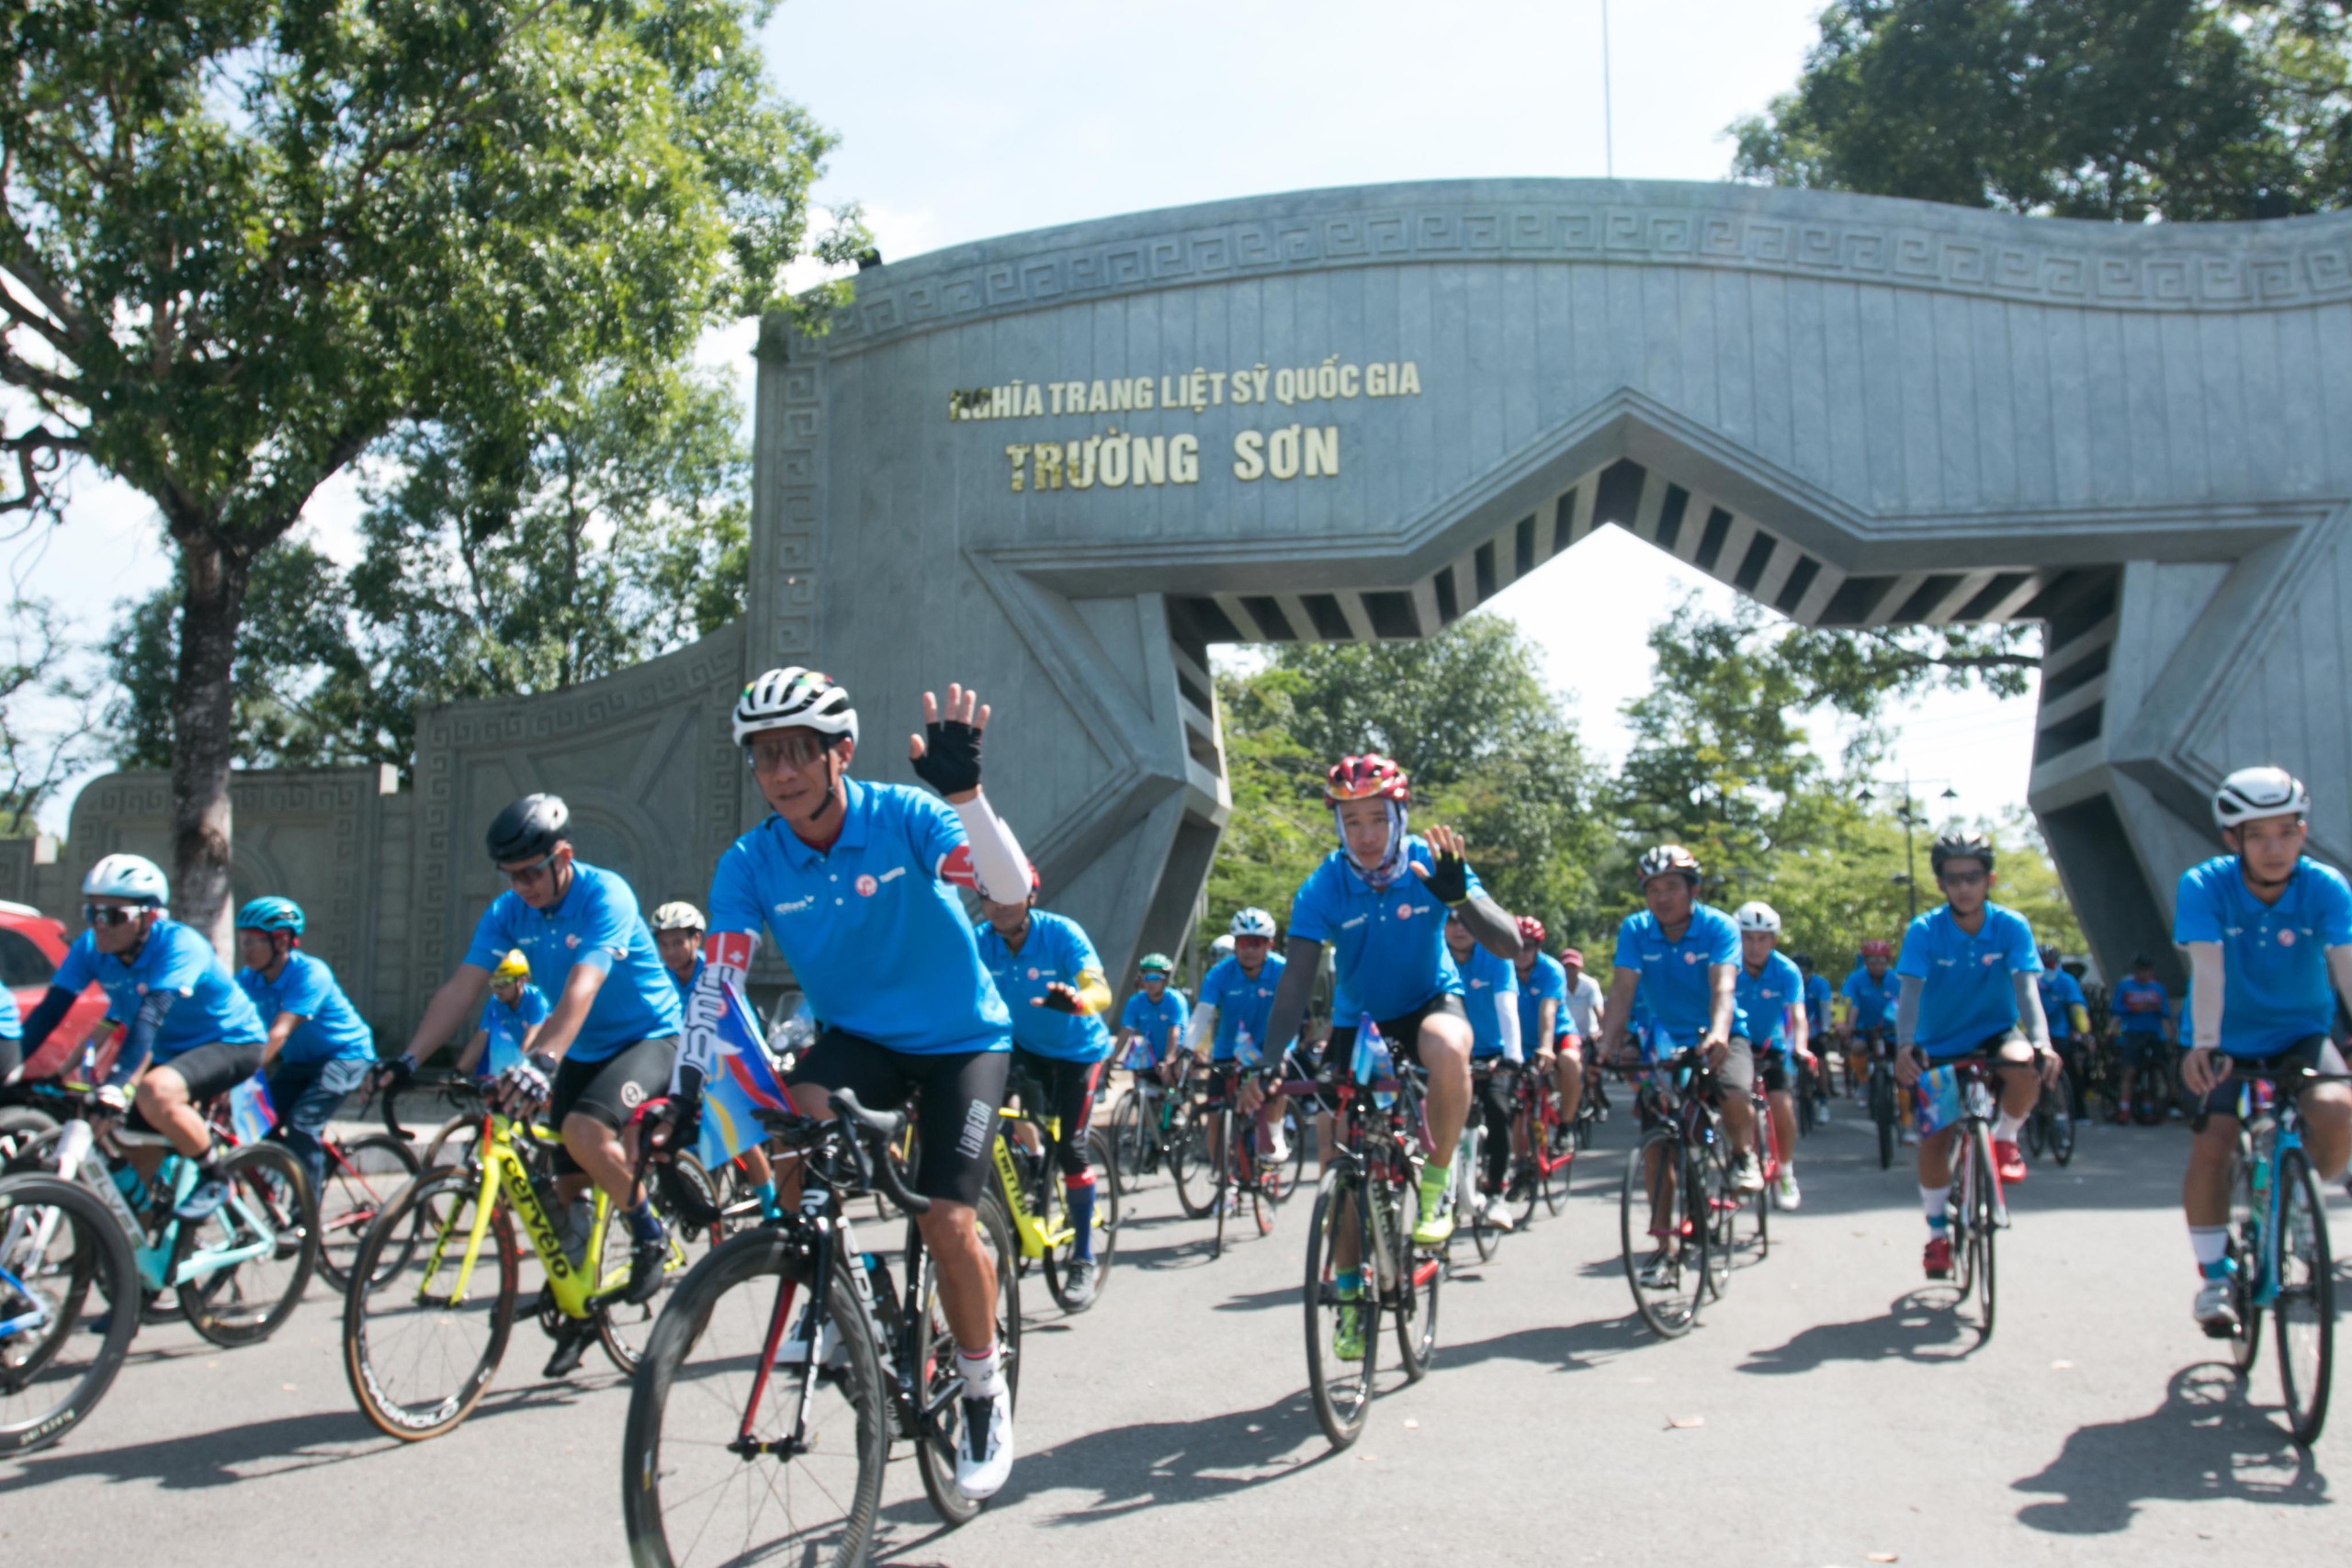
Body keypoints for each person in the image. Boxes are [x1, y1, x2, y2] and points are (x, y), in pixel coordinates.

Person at [646, 669, 1028, 1499]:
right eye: (764, 755)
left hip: (962, 1038)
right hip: (861, 1040)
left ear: (840, 754)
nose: (780, 770)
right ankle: (827, 1280)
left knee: (945, 1219)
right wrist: (683, 1092)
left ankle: (983, 1391)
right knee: (789, 1125)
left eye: (797, 751)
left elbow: (1010, 894)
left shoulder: (908, 814)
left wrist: (966, 794)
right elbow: (715, 985)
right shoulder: (750, 861)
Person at [385, 792, 684, 1374]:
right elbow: (461, 988)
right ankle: (581, 1311)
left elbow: (582, 987)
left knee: (581, 1130)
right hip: (580, 1046)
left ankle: (648, 1232)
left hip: (649, 1038)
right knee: (563, 1196)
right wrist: (406, 1058)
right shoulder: (507, 912)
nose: (521, 886)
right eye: (510, 876)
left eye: (530, 873)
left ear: (563, 855)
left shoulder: (606, 895)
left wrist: (543, 1059)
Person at [1260, 754, 1522, 1260]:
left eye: (1378, 818)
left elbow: (1508, 943)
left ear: (1400, 819)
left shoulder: (1431, 860)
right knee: (1336, 1157)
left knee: (1450, 1046)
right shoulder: (1322, 887)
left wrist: (1461, 896)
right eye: (1351, 821)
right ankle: (1347, 1297)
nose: (1366, 835)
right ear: (1338, 826)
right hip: (1359, 1023)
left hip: (1430, 1002)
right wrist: (1270, 1064)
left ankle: (1436, 1185)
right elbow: (1293, 985)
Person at [2174, 767, 2352, 1335]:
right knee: (2215, 1143)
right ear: (2233, 840)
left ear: (2303, 832)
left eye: (2287, 832)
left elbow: (2346, 966)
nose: (2275, 848)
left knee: (2339, 1110)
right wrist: (2204, 1044)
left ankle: (2298, 1199)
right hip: (2221, 1034)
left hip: (2300, 1032)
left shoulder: (2325, 886)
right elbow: (2207, 968)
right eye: (2257, 835)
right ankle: (2215, 1278)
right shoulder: (2203, 885)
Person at [16, 855, 269, 1220]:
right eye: (93, 913)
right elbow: (49, 1013)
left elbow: (150, 1017)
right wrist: (12, 1069)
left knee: (153, 1092)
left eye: (113, 916)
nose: (99, 925)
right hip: (173, 1053)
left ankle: (215, 1176)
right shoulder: (90, 948)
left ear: (149, 916)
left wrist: (117, 1084)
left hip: (231, 1042)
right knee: (135, 1163)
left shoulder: (179, 945)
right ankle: (142, 1258)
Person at [1893, 830, 2058, 1280]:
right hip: (1940, 1044)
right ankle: (1937, 1235)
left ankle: (2005, 1137)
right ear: (1941, 884)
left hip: (1995, 1034)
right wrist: (1905, 1044)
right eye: (1953, 879)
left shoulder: (2011, 926)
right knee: (1935, 1137)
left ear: (1989, 879)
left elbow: (2026, 989)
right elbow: (1910, 993)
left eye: (1972, 877)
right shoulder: (1925, 930)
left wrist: (2041, 1041)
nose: (1963, 887)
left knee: (2025, 1065)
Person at [1600, 844, 1763, 1284]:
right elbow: (1621, 994)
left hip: (1719, 1031)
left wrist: (1717, 1033)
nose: (1662, 897)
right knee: (1658, 1141)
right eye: (1653, 889)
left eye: (1672, 886)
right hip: (1663, 1038)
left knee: (1733, 1090)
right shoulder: (1636, 930)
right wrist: (1605, 1045)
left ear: (1692, 889)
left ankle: (1743, 1157)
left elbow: (1724, 988)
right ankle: (1664, 1246)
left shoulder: (1718, 927)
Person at [975, 870, 1115, 1308]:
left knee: (1071, 1146)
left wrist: (1078, 1001)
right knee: (981, 1123)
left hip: (1077, 1050)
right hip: (1022, 1047)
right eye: (988, 896)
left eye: (1009, 896)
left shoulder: (1061, 933)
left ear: (1031, 895)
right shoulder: (979, 939)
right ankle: (1018, 1192)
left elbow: (1100, 989)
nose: (999, 906)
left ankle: (1084, 1259)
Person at [232, 897, 377, 1201]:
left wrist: (238, 1075)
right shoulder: (248, 979)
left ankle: (305, 1216)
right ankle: (287, 1170)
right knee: (253, 1118)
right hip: (301, 1061)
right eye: (242, 940)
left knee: (302, 1123)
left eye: (252, 942)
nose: (244, 949)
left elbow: (279, 1033)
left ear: (281, 941)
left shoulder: (310, 973)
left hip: (345, 1055)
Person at [650, 899, 780, 1219]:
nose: (670, 952)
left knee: (740, 1138)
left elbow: (741, 1023)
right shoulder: (658, 980)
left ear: (696, 940)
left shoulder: (716, 976)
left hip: (724, 1062)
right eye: (663, 944)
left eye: (678, 942)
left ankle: (772, 1209)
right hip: (678, 1067)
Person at [1188, 908, 1289, 1170]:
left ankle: (1275, 1131)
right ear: (1235, 944)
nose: (1249, 950)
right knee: (1214, 1119)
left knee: (1277, 1084)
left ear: (1269, 944)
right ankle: (1222, 1178)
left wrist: (1284, 1051)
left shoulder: (1281, 970)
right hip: (1228, 1051)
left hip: (1269, 1046)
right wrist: (1186, 1050)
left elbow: (1293, 1013)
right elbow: (1202, 1015)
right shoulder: (1219, 974)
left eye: (1257, 943)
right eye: (1243, 943)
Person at [1733, 901, 1813, 1210]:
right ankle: (1740, 1159)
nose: (1754, 946)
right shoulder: (1728, 967)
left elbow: (1798, 1014)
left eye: (1762, 938)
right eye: (1747, 938)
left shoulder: (1786, 970)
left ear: (1774, 940)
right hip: (1735, 1045)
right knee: (1733, 1101)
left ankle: (1785, 1171)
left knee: (1781, 1104)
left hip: (1771, 1047)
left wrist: (1801, 1047)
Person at [1444, 907, 1521, 1230]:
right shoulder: (1436, 954)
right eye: (1451, 921)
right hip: (1448, 1054)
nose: (1459, 928)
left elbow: (1507, 1005)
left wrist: (1512, 1055)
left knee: (1498, 1110)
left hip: (1491, 1054)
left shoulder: (1496, 956)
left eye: (1466, 921)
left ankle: (1495, 1194)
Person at [1510, 918, 1575, 1154]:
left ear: (1538, 948)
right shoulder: (1503, 968)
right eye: (1516, 945)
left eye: (1528, 946)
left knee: (1570, 1062)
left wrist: (1547, 1047)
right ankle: (1519, 1167)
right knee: (1518, 1105)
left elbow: (1548, 1011)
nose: (1521, 952)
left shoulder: (1552, 970)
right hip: (1521, 1042)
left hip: (1557, 1035)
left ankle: (1566, 1126)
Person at [454, 950, 549, 1081]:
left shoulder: (537, 1001)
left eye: (502, 984)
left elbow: (530, 1040)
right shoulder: (495, 1002)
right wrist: (458, 1071)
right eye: (493, 984)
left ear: (521, 980)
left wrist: (513, 1072)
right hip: (510, 1064)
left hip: (538, 1062)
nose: (496, 990)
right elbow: (481, 1038)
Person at [2110, 954, 2175, 1123]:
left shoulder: (2158, 989)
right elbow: (2117, 1011)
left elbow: (2165, 1015)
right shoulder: (2125, 986)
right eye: (2141, 971)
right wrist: (2112, 1031)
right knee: (2130, 1072)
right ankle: (2124, 1109)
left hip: (2153, 1034)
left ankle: (2150, 1106)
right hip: (2132, 1033)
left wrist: (2169, 1036)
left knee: (2153, 1072)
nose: (2144, 974)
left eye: (2147, 971)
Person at [1114, 953, 1190, 1086]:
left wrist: (1169, 1060)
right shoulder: (1135, 1001)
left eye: (1155, 977)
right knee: (1139, 1083)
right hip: (1150, 1053)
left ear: (1165, 980)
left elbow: (1174, 1032)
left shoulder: (1175, 1000)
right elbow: (1126, 1031)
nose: (1150, 982)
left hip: (1175, 1051)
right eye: (1146, 977)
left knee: (1173, 1084)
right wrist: (1112, 1059)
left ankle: (1178, 1103)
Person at [2035, 945, 2092, 1120]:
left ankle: (2037, 1112)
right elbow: (2077, 1009)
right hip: (2062, 1034)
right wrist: (2084, 1032)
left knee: (2034, 1074)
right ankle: (2079, 1113)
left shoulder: (2030, 979)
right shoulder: (2066, 980)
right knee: (2071, 1073)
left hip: (2036, 1036)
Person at [1841, 940, 1900, 1101]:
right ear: (1865, 962)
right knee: (1857, 1048)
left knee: (1903, 1056)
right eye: (1872, 961)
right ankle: (1863, 1082)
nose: (1877, 965)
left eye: (1882, 961)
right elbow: (1851, 1003)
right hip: (1865, 1029)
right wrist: (1847, 1026)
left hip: (1892, 1030)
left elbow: (1907, 1003)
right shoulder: (1855, 979)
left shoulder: (1897, 979)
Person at [1559, 945, 1608, 1120]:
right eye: (1566, 967)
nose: (1570, 971)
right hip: (1567, 1034)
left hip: (1589, 1033)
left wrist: (1602, 1031)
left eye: (1573, 967)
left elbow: (1598, 1011)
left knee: (1594, 1067)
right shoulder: (1558, 985)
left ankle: (1598, 1101)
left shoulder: (1589, 985)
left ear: (1580, 967)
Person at [1795, 953, 1835, 1095]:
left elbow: (1825, 1008)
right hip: (1794, 1030)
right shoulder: (1788, 981)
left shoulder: (1820, 984)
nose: (1802, 975)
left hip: (1815, 1030)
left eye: (1805, 972)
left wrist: (1825, 1030)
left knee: (1821, 1062)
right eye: (1798, 971)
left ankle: (1823, 1098)